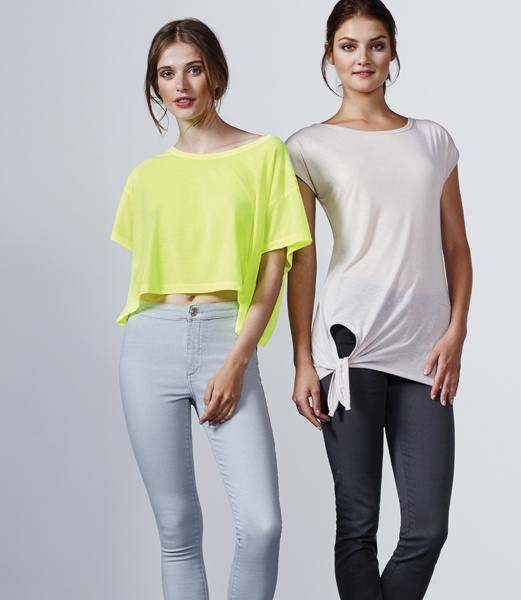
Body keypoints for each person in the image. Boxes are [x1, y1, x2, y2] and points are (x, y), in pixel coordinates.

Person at [110, 18, 312, 600]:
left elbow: (274, 269)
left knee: (262, 525)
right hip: (150, 345)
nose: (181, 85)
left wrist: (238, 359)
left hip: (227, 338)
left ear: (216, 75)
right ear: (155, 86)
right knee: (177, 529)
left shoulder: (265, 154)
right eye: (166, 74)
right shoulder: (146, 178)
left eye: (193, 69)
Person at [286, 1, 472, 598]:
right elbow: (302, 259)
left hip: (425, 350)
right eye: (348, 46)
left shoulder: (432, 140)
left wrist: (456, 332)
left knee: (427, 528)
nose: (362, 58)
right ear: (329, 56)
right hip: (349, 346)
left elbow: (455, 246)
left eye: (375, 44)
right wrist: (302, 361)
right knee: (358, 526)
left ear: (392, 51)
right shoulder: (307, 147)